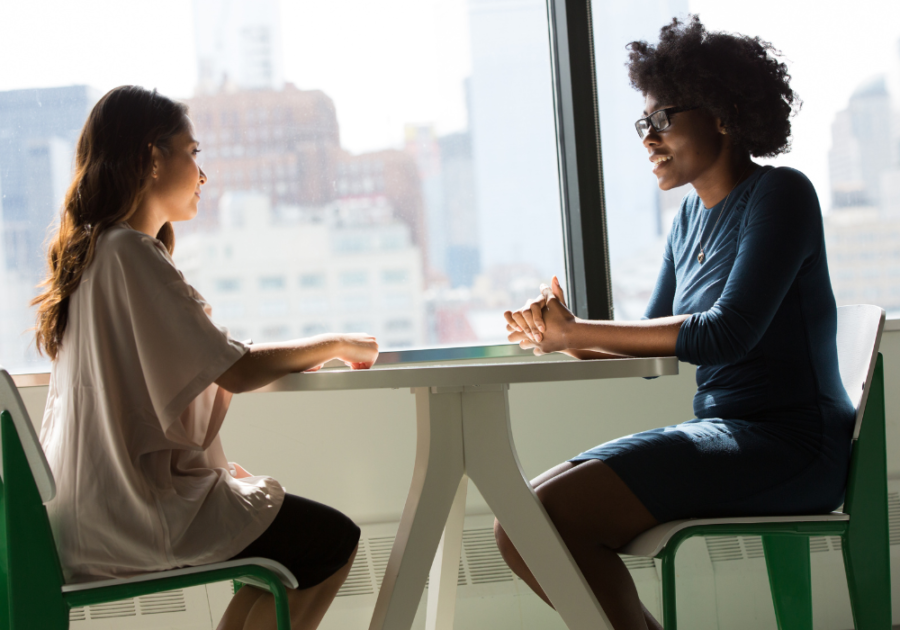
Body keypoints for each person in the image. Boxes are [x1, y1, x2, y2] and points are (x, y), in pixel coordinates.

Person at [497, 16, 855, 630]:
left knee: (548, 520)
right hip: (727, 432)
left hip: (793, 445)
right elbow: (652, 353)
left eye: (662, 120)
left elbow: (725, 333)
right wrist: (557, 338)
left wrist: (578, 331)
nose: (648, 138)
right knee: (519, 524)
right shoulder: (688, 219)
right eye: (645, 123)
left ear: (720, 113)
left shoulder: (782, 195)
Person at [34, 85, 380, 630]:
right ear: (153, 158)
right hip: (133, 514)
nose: (203, 173)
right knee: (331, 541)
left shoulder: (95, 255)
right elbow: (234, 369)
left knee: (277, 555)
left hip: (86, 512)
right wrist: (335, 343)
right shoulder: (128, 252)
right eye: (193, 153)